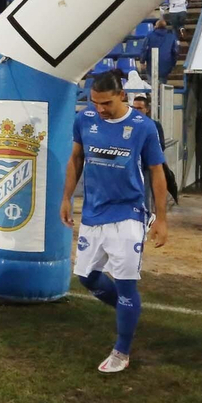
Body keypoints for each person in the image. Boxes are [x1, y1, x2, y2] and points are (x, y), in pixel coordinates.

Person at [59, 73, 170, 375]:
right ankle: (128, 308)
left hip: (128, 215)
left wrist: (161, 218)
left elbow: (157, 172)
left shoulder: (143, 128)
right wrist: (66, 197)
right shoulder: (85, 120)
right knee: (87, 278)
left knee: (124, 284)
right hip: (93, 213)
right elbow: (76, 159)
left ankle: (122, 349)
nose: (100, 109)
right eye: (95, 103)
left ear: (121, 95)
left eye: (106, 103)